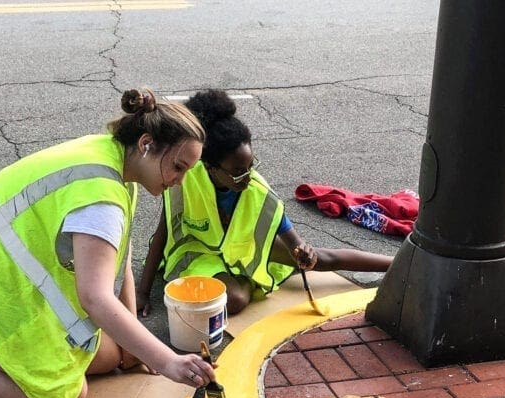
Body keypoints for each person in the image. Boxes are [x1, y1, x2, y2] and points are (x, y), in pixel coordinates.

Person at [0, 88, 217, 398]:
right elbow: (95, 299)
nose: (180, 181)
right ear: (146, 144)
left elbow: (120, 256)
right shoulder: (101, 196)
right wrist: (167, 361)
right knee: (66, 395)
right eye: (177, 167)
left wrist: (132, 349)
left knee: (112, 355)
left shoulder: (114, 160)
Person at [136, 89, 393, 317]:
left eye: (250, 166)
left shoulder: (257, 189)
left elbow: (299, 245)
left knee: (322, 258)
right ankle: (254, 280)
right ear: (210, 167)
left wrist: (304, 252)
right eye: (238, 171)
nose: (247, 177)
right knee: (234, 299)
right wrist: (142, 292)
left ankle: (397, 262)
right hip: (200, 253)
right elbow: (163, 233)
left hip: (244, 248)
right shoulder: (187, 180)